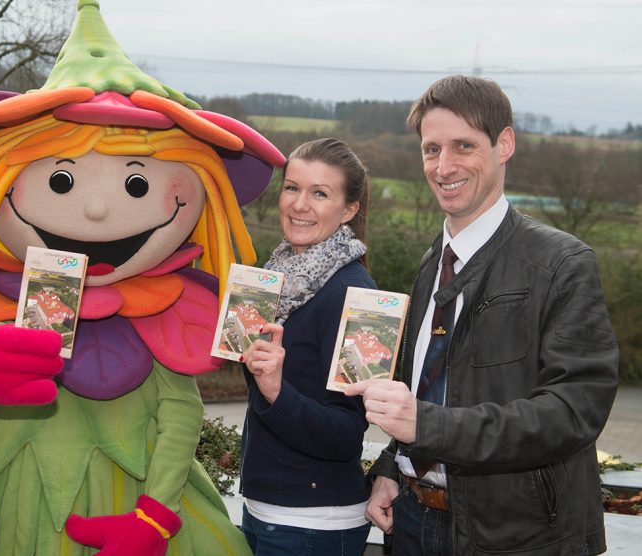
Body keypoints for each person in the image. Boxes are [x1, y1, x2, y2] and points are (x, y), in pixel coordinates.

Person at [344, 75, 619, 555]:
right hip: (410, 522)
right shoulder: (433, 263)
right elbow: (432, 388)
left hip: (516, 538)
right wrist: (394, 467)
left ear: (504, 144)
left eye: (463, 146)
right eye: (432, 149)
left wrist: (426, 427)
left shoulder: (562, 264)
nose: (444, 166)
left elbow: (574, 412)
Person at [239, 138, 376, 555]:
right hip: (267, 509)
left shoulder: (357, 297)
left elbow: (348, 434)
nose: (300, 204)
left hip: (313, 524)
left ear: (349, 209)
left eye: (320, 193)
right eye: (292, 187)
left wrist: (277, 390)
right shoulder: (278, 276)